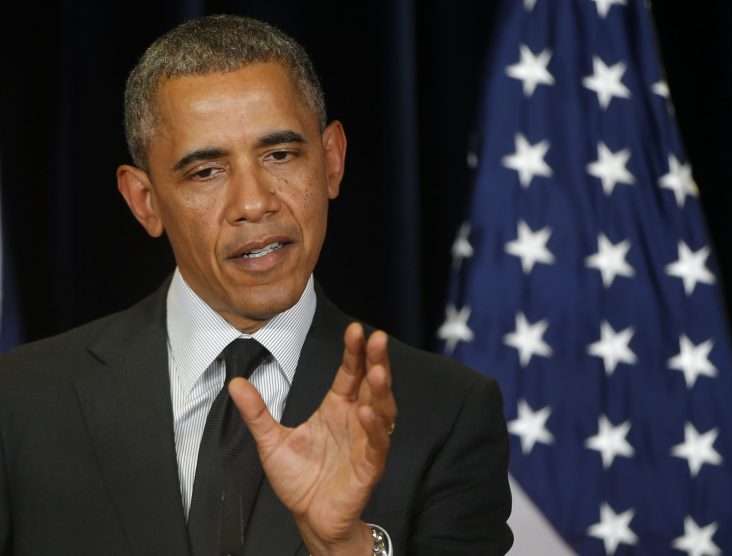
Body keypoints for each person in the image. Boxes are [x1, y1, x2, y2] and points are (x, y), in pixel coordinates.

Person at [0, 14, 513, 555]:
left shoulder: (447, 412)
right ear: (144, 202)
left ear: (332, 161)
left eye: (281, 154)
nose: (254, 202)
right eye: (206, 171)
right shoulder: (20, 402)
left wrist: (347, 546)